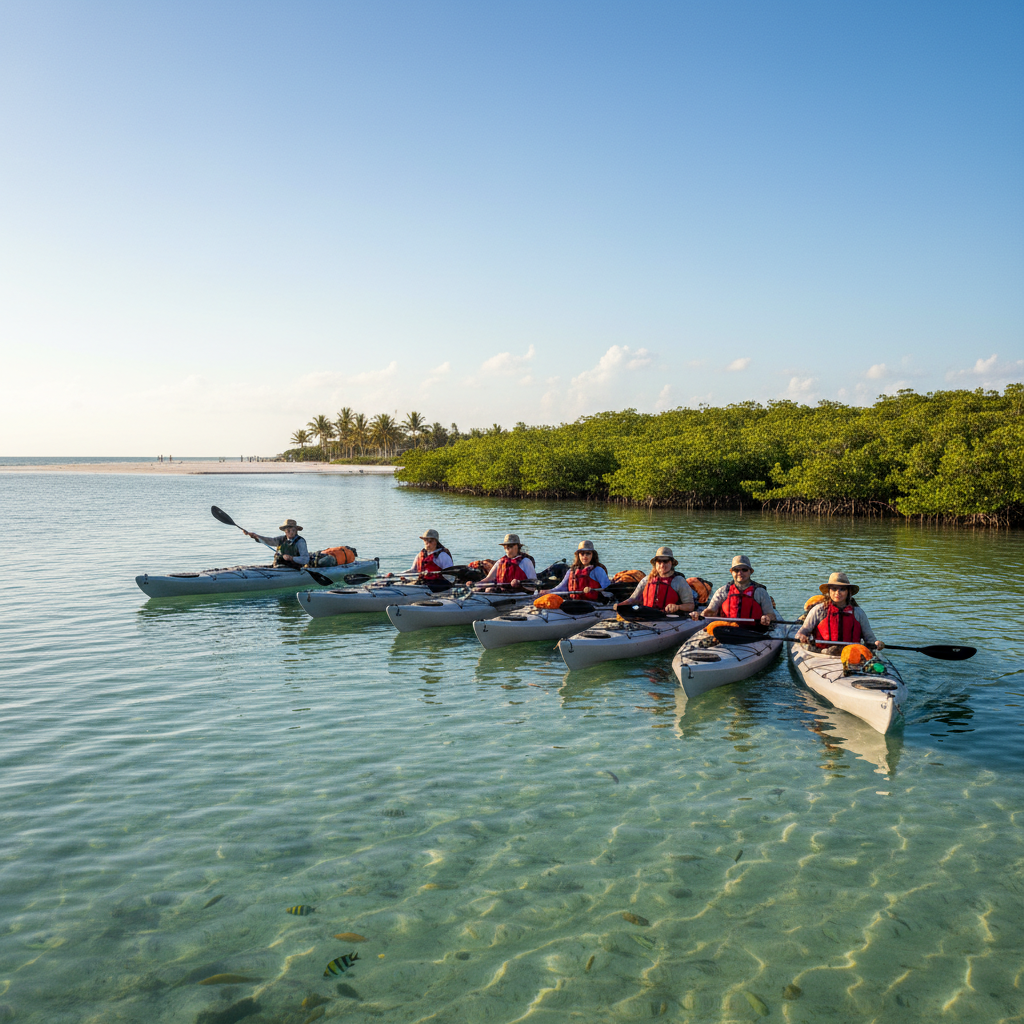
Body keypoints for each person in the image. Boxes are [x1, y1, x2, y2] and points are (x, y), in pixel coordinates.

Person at [795, 572, 884, 651]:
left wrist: (877, 643)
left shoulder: (858, 612)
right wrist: (802, 636)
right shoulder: (819, 611)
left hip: (852, 655)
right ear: (829, 591)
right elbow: (801, 633)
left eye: (842, 589)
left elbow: (870, 639)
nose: (837, 592)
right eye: (834, 589)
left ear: (848, 592)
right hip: (823, 653)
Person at [694, 555, 776, 627]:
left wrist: (767, 618)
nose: (740, 573)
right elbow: (710, 611)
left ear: (750, 572)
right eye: (736, 570)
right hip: (727, 629)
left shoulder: (760, 592)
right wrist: (699, 615)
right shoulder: (723, 591)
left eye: (744, 569)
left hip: (754, 631)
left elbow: (771, 615)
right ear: (731, 572)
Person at [616, 547, 695, 615]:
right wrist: (619, 605)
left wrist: (678, 607)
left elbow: (690, 606)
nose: (662, 565)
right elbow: (633, 599)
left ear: (671, 563)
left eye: (665, 561)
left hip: (668, 617)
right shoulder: (646, 580)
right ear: (655, 564)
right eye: (659, 561)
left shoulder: (679, 581)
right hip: (647, 615)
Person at [385, 529, 455, 588]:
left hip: (437, 585)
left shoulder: (442, 555)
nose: (427, 543)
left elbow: (450, 575)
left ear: (436, 542)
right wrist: (397, 575)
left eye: (430, 541)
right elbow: (413, 570)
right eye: (425, 540)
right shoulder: (420, 555)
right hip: (423, 583)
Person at [243, 518, 309, 569]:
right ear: (285, 531)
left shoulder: (300, 542)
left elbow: (305, 559)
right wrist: (256, 536)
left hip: (294, 569)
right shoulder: (281, 539)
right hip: (279, 567)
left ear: (296, 531)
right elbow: (269, 540)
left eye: (293, 530)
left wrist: (291, 558)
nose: (291, 532)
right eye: (288, 530)